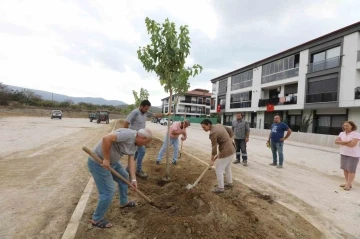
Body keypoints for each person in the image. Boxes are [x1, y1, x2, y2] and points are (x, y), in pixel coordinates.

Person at [88, 128, 153, 228]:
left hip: (113, 163)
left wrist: (134, 179)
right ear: (142, 138)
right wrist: (106, 159)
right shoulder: (128, 135)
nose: (145, 145)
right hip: (99, 163)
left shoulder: (136, 144)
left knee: (125, 177)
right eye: (146, 142)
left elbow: (131, 161)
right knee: (108, 191)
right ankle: (96, 219)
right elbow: (106, 138)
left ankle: (123, 202)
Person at [124, 100, 169, 178]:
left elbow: (155, 115)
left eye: (147, 109)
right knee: (142, 152)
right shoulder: (135, 112)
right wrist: (127, 135)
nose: (146, 110)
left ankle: (128, 169)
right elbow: (126, 122)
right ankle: (138, 170)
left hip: (140, 138)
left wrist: (165, 114)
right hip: (134, 137)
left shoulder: (145, 113)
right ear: (141, 106)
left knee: (135, 154)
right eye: (145, 109)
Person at [200, 119, 236, 193]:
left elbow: (214, 147)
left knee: (219, 170)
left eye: (204, 127)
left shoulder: (213, 133)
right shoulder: (219, 125)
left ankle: (220, 188)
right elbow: (229, 129)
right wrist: (231, 138)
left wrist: (212, 160)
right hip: (232, 149)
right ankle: (229, 183)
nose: (203, 129)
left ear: (209, 125)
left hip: (226, 151)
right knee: (227, 168)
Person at [335, 121, 360, 191]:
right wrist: (347, 142)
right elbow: (336, 141)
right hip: (343, 153)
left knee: (351, 170)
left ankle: (348, 185)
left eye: (347, 125)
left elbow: (352, 145)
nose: (345, 127)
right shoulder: (342, 133)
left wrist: (341, 143)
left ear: (352, 126)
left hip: (353, 155)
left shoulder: (356, 134)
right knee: (345, 169)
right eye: (344, 126)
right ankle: (347, 183)